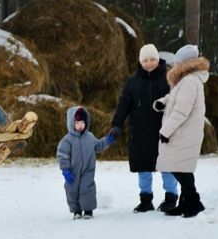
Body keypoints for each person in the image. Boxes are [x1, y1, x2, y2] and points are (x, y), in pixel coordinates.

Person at [111, 44, 178, 213]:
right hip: (140, 133)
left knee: (167, 166)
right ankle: (145, 200)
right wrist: (116, 125)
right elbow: (123, 105)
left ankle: (171, 198)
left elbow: (178, 103)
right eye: (145, 60)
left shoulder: (168, 79)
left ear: (158, 59)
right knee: (143, 168)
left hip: (163, 132)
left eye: (152, 59)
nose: (149, 63)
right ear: (140, 62)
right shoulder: (133, 82)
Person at [154, 44, 209, 218]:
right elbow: (176, 98)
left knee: (180, 169)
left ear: (184, 63)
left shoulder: (190, 82)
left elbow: (181, 110)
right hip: (183, 132)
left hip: (183, 132)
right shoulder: (186, 80)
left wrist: (166, 131)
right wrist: (164, 101)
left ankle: (194, 202)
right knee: (182, 168)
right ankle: (186, 202)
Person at [57, 106, 118, 219]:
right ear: (71, 123)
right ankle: (77, 211)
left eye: (82, 122)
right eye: (77, 123)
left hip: (87, 171)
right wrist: (65, 170)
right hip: (73, 171)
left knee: (87, 189)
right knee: (72, 190)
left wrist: (108, 140)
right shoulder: (67, 140)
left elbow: (99, 146)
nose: (80, 125)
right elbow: (62, 155)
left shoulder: (90, 137)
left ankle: (88, 211)